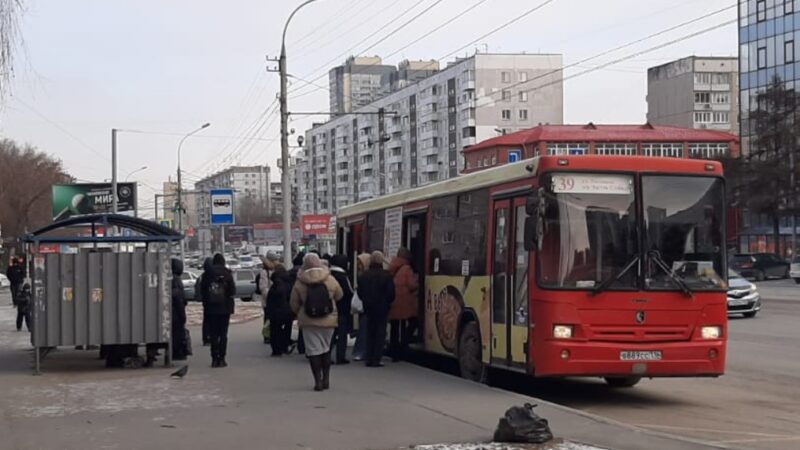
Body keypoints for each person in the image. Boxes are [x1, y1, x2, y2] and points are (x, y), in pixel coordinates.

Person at [290, 253, 342, 391]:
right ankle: (326, 379)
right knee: (326, 349)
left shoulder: (300, 281)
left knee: (314, 351)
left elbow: (294, 303)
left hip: (309, 322)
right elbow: (340, 295)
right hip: (329, 320)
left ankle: (317, 381)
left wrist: (298, 313)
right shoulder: (330, 279)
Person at [357, 251, 395, 367]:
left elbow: (360, 292)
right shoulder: (387, 275)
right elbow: (391, 294)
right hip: (382, 308)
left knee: (370, 332)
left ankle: (369, 357)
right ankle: (376, 359)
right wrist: (387, 303)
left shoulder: (364, 275)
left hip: (368, 307)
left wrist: (365, 301)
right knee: (380, 333)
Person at [200, 253, 236, 368]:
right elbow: (233, 291)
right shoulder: (227, 273)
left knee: (214, 334)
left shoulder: (207, 275)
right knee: (223, 334)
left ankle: (214, 359)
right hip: (225, 309)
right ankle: (222, 358)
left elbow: (202, 291)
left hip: (211, 309)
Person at [388, 248, 419, 361]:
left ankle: (394, 352)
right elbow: (411, 285)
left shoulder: (391, 266)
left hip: (393, 301)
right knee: (413, 322)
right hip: (404, 302)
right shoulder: (406, 268)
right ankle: (403, 347)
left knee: (395, 328)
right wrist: (417, 283)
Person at [329, 254, 353, 364]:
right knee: (342, 334)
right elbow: (348, 292)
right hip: (342, 309)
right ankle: (340, 357)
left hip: (330, 309)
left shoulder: (328, 275)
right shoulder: (342, 276)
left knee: (331, 334)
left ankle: (327, 356)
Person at [266, 263, 293, 356]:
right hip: (288, 309)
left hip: (276, 310)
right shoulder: (289, 281)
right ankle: (284, 346)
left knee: (275, 330)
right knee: (286, 329)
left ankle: (276, 350)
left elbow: (275, 295)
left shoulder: (277, 283)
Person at [351, 253, 372, 361]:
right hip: (366, 306)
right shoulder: (363, 275)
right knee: (364, 329)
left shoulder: (364, 275)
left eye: (360, 263)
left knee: (364, 329)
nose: (358, 266)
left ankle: (360, 352)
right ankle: (362, 352)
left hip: (365, 306)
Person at [256, 251, 279, 344]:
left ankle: (273, 335)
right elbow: (263, 287)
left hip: (276, 299)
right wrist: (271, 294)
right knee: (268, 318)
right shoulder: (264, 272)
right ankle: (267, 336)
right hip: (268, 300)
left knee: (274, 318)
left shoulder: (276, 270)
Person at [288, 251, 306, 354]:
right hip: (306, 304)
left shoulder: (289, 273)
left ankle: (301, 346)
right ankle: (303, 347)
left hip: (295, 302)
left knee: (301, 326)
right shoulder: (306, 275)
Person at [171, 258, 189, 361]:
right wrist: (183, 315)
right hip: (176, 313)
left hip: (172, 312)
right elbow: (178, 298)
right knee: (177, 335)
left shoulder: (170, 278)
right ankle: (177, 353)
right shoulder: (176, 280)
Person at [195, 257, 213, 346]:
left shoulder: (202, 276)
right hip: (213, 301)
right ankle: (211, 337)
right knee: (213, 319)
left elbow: (199, 289)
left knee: (206, 320)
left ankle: (206, 338)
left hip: (206, 301)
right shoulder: (213, 275)